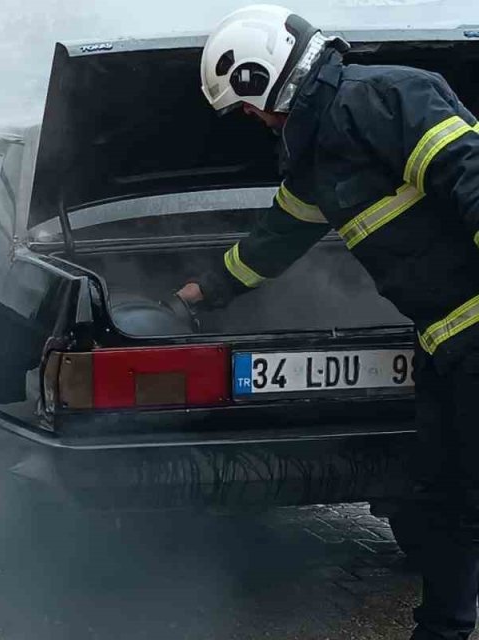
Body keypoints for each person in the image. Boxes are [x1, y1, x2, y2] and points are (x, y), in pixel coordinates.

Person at [178, 6, 479, 639]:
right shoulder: (314, 156)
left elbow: (472, 176)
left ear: (268, 76)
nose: (252, 118)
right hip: (443, 341)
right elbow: (277, 238)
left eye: (248, 104)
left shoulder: (388, 97)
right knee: (443, 497)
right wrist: (205, 291)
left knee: (465, 501)